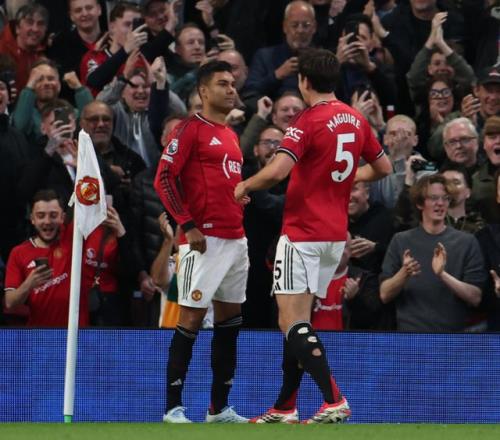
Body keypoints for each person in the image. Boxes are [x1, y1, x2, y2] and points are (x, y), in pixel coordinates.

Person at [235, 48, 391, 424]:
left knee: (290, 322)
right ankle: (285, 407)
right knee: (299, 322)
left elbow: (277, 171)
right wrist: (347, 177)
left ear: (304, 81)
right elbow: (383, 167)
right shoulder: (355, 118)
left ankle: (334, 399)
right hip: (334, 237)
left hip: (303, 233)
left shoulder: (307, 120)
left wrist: (244, 185)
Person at [154, 60, 248, 423]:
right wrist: (187, 224)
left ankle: (218, 409)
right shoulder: (190, 129)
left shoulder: (230, 134)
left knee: (229, 322)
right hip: (203, 240)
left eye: (233, 83)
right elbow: (164, 177)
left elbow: (221, 180)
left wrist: (237, 196)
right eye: (222, 83)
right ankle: (172, 407)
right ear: (203, 91)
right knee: (191, 319)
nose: (231, 89)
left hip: (235, 238)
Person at [380, 174, 486, 331]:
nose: (440, 203)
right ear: (419, 203)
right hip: (410, 336)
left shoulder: (467, 242)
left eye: (445, 198)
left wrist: (443, 274)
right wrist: (404, 273)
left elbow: (475, 297)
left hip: (453, 336)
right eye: (434, 198)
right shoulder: (400, 241)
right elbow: (384, 294)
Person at [3, 190, 88, 327]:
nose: (47, 221)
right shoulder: (18, 252)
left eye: (53, 215)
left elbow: (87, 201)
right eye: (41, 216)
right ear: (32, 219)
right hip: (39, 334)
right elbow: (9, 303)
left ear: (62, 217)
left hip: (75, 334)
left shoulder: (74, 240)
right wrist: (29, 284)